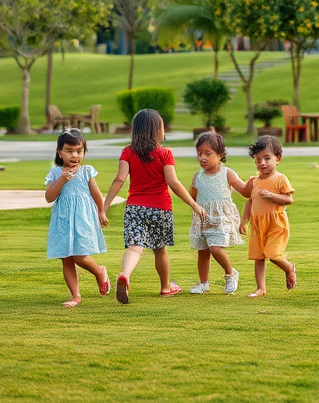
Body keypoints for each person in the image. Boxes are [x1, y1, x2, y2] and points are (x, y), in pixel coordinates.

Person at [101, 109, 207, 304]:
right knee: (160, 249)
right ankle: (166, 287)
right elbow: (174, 183)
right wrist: (194, 205)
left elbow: (119, 179)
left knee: (135, 247)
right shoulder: (164, 154)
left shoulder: (128, 152)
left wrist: (104, 207)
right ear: (156, 130)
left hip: (135, 208)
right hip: (161, 208)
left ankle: (125, 274)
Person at [44, 128, 109, 308]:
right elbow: (49, 197)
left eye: (79, 151)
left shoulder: (86, 171)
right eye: (69, 151)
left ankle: (99, 272)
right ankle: (75, 295)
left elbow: (96, 195)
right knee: (66, 256)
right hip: (63, 221)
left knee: (80, 256)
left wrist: (101, 211)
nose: (75, 155)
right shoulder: (56, 173)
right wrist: (62, 180)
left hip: (83, 219)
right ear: (59, 152)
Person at [188, 132, 251, 295]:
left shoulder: (227, 173)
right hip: (203, 219)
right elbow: (192, 198)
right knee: (203, 252)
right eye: (199, 153)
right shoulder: (197, 177)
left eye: (208, 153)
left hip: (220, 218)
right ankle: (203, 283)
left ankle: (231, 273)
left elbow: (244, 191)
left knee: (215, 248)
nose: (202, 158)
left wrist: (253, 183)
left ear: (220, 155)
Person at [240, 135, 296, 297]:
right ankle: (261, 289)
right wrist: (244, 221)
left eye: (267, 158)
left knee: (273, 255)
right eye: (258, 160)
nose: (262, 163)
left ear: (277, 159)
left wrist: (272, 195)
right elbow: (250, 202)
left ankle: (289, 268)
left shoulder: (280, 179)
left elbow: (288, 199)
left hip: (276, 224)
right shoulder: (254, 181)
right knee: (258, 257)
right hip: (258, 225)